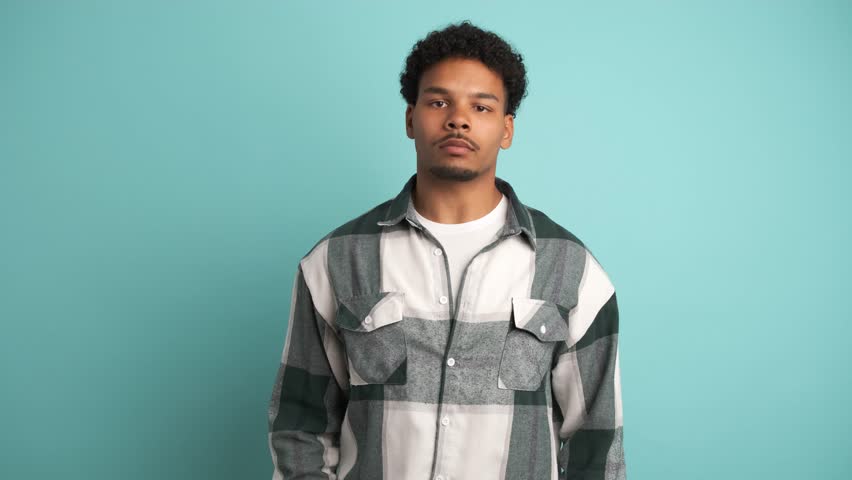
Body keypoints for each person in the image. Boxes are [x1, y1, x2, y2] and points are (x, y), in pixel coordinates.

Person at [267, 20, 626, 480]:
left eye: (481, 105)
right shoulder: (336, 261)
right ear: (411, 118)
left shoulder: (572, 270)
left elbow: (597, 444)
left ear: (506, 129)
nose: (459, 118)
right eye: (439, 102)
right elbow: (300, 428)